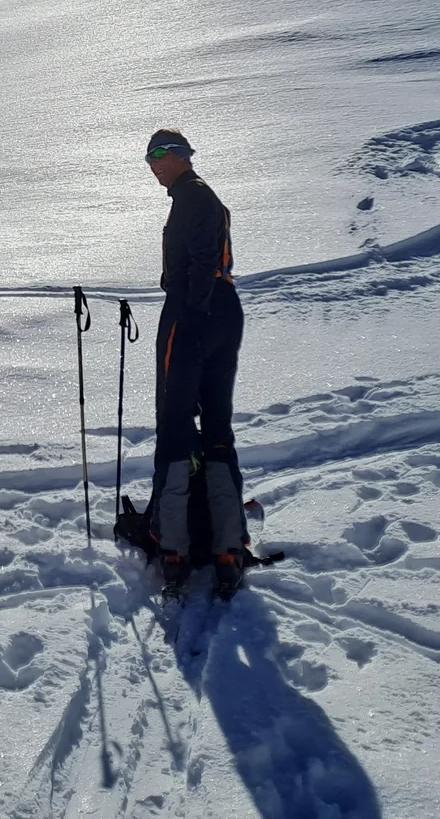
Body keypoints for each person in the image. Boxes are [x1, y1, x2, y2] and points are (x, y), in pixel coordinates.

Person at [145, 127, 247, 598]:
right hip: (218, 311)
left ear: (186, 156)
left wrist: (191, 313)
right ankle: (227, 547)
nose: (157, 161)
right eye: (151, 155)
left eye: (167, 152)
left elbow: (204, 258)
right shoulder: (196, 196)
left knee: (175, 426)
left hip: (195, 314)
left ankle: (175, 549)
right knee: (218, 428)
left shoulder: (193, 196)